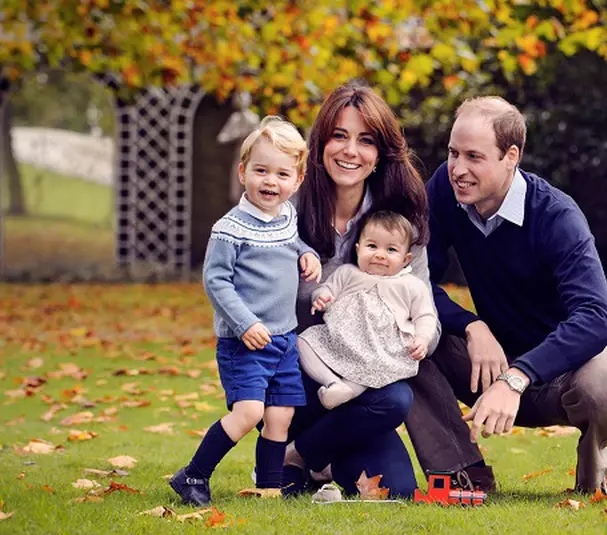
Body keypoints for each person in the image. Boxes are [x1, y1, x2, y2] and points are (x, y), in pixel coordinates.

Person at [405, 96, 607, 495]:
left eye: (474, 157)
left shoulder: (557, 217)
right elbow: (413, 281)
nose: (458, 169)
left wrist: (517, 377)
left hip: (565, 375)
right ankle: (463, 473)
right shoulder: (444, 188)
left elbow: (596, 318)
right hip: (490, 363)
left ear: (511, 156)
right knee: (405, 333)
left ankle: (592, 466)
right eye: (453, 153)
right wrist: (471, 325)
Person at [279, 80, 438, 498]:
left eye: (365, 141)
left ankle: (299, 456)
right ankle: (305, 452)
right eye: (339, 136)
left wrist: (414, 339)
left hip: (365, 385)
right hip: (294, 376)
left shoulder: (400, 221)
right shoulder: (286, 210)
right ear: (319, 143)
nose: (350, 151)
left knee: (397, 483)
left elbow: (424, 307)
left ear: (379, 154)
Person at [170, 116, 322, 506]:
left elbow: (293, 243)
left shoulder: (286, 216)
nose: (270, 181)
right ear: (243, 172)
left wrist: (307, 254)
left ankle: (269, 487)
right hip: (245, 342)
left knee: (280, 417)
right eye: (261, 171)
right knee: (250, 411)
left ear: (298, 179)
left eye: (282, 174)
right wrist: (245, 323)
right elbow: (216, 281)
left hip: (284, 339)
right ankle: (193, 476)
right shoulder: (229, 228)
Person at [299, 210, 438, 409]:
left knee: (372, 368)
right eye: (372, 246)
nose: (379, 255)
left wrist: (422, 339)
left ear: (406, 259)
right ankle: (333, 383)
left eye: (391, 250)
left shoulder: (411, 285)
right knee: (303, 342)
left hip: (380, 348)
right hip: (339, 340)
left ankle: (347, 390)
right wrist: (321, 298)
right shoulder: (348, 273)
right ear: (358, 249)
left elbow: (425, 315)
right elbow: (327, 290)